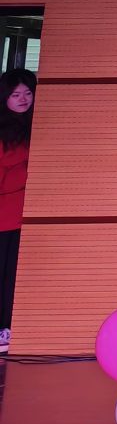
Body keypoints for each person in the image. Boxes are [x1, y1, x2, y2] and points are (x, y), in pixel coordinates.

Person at [0, 71, 33, 353]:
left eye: (28, 93)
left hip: (29, 216)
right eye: (15, 94)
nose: (23, 99)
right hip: (4, 216)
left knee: (17, 276)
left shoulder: (38, 125)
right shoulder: (3, 130)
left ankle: (10, 327)